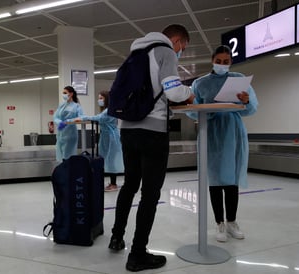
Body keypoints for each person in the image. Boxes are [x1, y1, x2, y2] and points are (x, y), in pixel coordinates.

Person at [108, 24, 195, 272]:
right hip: (153, 131)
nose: (180, 52)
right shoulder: (164, 51)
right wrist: (189, 93)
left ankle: (116, 237)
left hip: (127, 129)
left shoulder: (135, 53)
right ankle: (137, 255)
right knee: (150, 193)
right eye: (182, 47)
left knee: (130, 185)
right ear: (176, 40)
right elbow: (173, 91)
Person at [187, 45, 258, 242]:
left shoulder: (238, 79)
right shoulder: (200, 83)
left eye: (226, 62)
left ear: (231, 62)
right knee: (216, 180)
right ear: (212, 60)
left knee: (232, 179)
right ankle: (219, 223)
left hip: (233, 132)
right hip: (210, 133)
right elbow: (192, 110)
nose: (222, 65)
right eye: (218, 61)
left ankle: (232, 222)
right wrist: (209, 112)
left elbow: (251, 109)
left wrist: (245, 101)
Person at [74, 90, 124, 192]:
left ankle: (113, 184)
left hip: (111, 138)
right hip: (106, 137)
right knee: (106, 159)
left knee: (111, 160)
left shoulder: (109, 110)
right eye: (99, 98)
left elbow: (97, 118)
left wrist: (82, 117)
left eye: (101, 98)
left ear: (107, 99)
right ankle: (111, 182)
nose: (99, 100)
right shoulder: (106, 110)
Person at [53, 86, 84, 162]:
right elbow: (55, 116)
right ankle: (62, 173)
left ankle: (70, 173)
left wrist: (68, 121)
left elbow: (81, 118)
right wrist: (60, 122)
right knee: (60, 158)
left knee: (68, 158)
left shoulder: (76, 106)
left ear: (71, 94)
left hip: (70, 135)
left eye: (65, 93)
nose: (63, 95)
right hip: (60, 134)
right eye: (63, 93)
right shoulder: (62, 105)